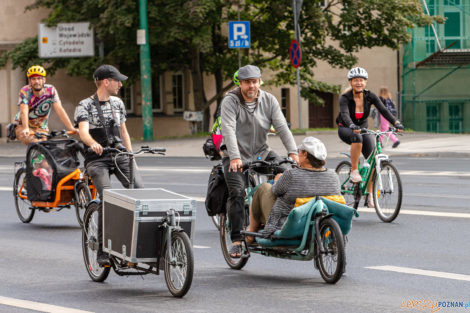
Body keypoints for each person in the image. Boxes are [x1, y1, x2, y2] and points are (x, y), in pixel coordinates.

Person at [220, 64, 299, 258]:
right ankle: (238, 240)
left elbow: (281, 127)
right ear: (240, 83)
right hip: (234, 156)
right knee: (237, 192)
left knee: (290, 172)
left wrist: (293, 152)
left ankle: (276, 220)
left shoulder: (269, 100)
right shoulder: (230, 101)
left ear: (259, 82)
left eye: (254, 82)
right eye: (247, 82)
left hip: (262, 152)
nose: (251, 87)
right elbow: (228, 129)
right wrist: (235, 157)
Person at [74, 64, 143, 266]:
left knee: (138, 190)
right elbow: (83, 132)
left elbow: (123, 132)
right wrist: (93, 144)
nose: (120, 84)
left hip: (119, 154)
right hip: (97, 159)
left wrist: (131, 157)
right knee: (108, 196)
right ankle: (103, 251)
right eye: (117, 80)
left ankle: (134, 243)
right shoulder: (84, 105)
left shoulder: (118, 103)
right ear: (106, 82)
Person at [246, 137, 341, 241]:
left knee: (263, 188)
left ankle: (251, 232)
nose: (298, 154)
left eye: (299, 151)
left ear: (305, 155)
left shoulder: (291, 175)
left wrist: (278, 180)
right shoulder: (333, 175)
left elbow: (275, 191)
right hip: (319, 225)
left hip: (289, 227)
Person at [336, 67, 404, 207]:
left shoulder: (370, 96)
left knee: (373, 159)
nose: (358, 83)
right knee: (357, 138)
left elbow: (384, 110)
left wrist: (396, 122)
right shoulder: (345, 98)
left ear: (365, 82)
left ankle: (369, 196)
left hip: (363, 129)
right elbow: (344, 114)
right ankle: (354, 170)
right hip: (345, 128)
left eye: (361, 80)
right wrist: (351, 126)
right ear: (351, 82)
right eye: (355, 80)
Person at [14, 65, 78, 145]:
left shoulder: (51, 90)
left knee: (46, 149)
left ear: (44, 80)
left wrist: (71, 128)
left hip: (41, 127)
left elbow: (60, 110)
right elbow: (24, 111)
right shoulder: (25, 91)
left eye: (39, 78)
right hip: (22, 124)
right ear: (30, 81)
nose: (36, 81)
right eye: (33, 79)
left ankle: (35, 158)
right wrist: (26, 128)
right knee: (36, 144)